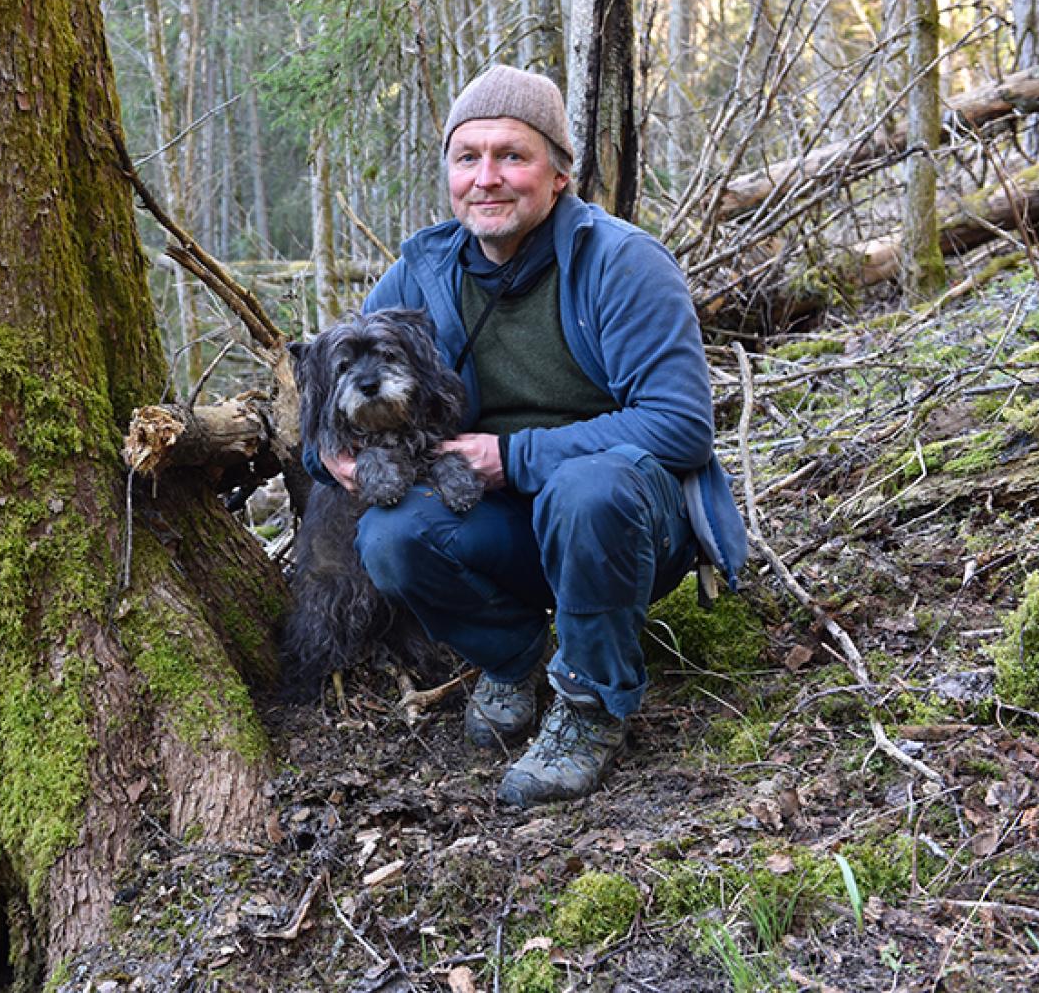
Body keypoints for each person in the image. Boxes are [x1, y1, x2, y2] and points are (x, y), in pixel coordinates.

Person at [303, 64, 747, 807]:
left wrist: (513, 455)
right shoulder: (426, 268)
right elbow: (336, 375)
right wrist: (333, 457)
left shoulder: (623, 263)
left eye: (513, 155)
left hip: (628, 524)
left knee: (587, 485)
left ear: (560, 173)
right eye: (467, 157)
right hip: (506, 527)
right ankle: (512, 658)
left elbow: (681, 424)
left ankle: (590, 706)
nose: (488, 178)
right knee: (391, 535)